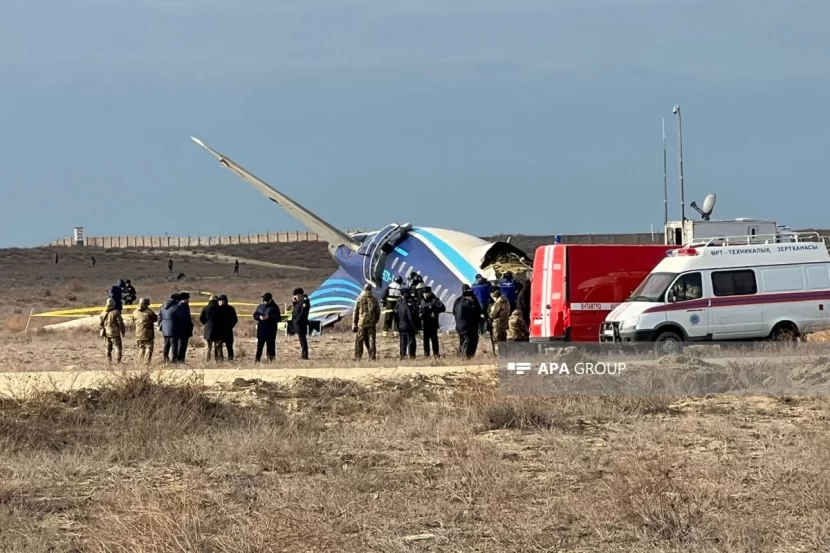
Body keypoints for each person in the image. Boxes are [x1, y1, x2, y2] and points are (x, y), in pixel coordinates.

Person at [353, 283, 381, 361]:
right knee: (371, 340)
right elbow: (378, 312)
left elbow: (355, 312)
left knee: (359, 340)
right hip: (371, 323)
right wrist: (375, 321)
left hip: (361, 323)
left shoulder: (359, 299)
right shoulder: (374, 299)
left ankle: (358, 357)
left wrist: (354, 323)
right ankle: (372, 357)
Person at [419, 284, 445, 358]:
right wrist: (420, 313)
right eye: (424, 293)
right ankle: (426, 355)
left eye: (427, 293)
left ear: (430, 293)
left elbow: (443, 308)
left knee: (434, 340)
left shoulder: (435, 300)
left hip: (433, 324)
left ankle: (436, 354)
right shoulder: (422, 301)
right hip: (425, 324)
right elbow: (420, 309)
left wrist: (435, 311)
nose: (425, 295)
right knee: (425, 341)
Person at [454, 288, 482, 359]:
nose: (472, 298)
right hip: (466, 327)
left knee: (465, 341)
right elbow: (474, 314)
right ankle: (466, 357)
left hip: (462, 327)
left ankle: (464, 356)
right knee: (469, 341)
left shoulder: (459, 303)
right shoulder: (466, 305)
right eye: (470, 296)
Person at [253, 292, 280, 363]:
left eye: (266, 300)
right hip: (261, 330)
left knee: (271, 347)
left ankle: (271, 361)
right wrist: (259, 317)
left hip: (271, 330)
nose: (264, 302)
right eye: (264, 300)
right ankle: (257, 361)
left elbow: (278, 318)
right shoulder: (260, 306)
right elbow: (255, 315)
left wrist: (268, 317)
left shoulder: (275, 307)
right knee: (259, 347)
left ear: (270, 300)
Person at [99, 298, 126, 364]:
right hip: (115, 333)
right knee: (117, 347)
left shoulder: (103, 313)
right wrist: (123, 331)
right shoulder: (116, 312)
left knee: (108, 348)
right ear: (113, 304)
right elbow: (120, 323)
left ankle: (109, 362)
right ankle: (118, 361)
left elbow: (100, 324)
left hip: (106, 333)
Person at [132, 297, 158, 364]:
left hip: (138, 333)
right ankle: (146, 363)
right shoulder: (149, 312)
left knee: (141, 348)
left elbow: (133, 321)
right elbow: (155, 319)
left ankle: (139, 363)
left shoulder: (134, 312)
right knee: (149, 347)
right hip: (148, 333)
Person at [396, 288, 420, 359]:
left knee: (403, 342)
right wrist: (415, 328)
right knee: (411, 341)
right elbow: (410, 317)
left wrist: (397, 326)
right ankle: (411, 356)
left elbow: (396, 316)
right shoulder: (406, 305)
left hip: (401, 326)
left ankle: (403, 355)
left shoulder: (399, 303)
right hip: (408, 326)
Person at [199, 295, 223, 361]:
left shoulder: (205, 308)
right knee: (217, 346)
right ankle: (217, 360)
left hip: (208, 330)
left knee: (208, 347)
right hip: (218, 329)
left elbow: (201, 318)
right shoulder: (220, 309)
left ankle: (207, 360)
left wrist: (206, 324)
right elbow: (223, 319)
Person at [159, 293, 180, 363]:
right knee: (174, 345)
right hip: (174, 327)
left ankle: (165, 358)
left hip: (165, 328)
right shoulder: (176, 307)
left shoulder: (162, 307)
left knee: (166, 344)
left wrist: (161, 326)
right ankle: (174, 360)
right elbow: (180, 318)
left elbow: (159, 317)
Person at [291, 287, 311, 360]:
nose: (295, 296)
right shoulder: (299, 301)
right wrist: (294, 302)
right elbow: (296, 309)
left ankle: (305, 355)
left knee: (303, 339)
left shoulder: (304, 301)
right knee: (301, 339)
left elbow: (303, 312)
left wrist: (297, 320)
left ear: (299, 294)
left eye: (296, 295)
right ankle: (303, 354)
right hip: (298, 322)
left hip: (301, 323)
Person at [217, 294, 238, 361]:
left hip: (228, 331)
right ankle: (220, 360)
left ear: (225, 301)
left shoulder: (230, 309)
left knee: (229, 347)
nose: (220, 302)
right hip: (219, 331)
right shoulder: (217, 309)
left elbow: (235, 319)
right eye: (219, 301)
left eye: (221, 300)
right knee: (219, 347)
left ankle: (230, 359)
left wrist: (230, 326)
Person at [175, 292, 193, 363]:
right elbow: (184, 319)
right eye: (188, 298)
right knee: (181, 346)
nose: (189, 300)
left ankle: (181, 359)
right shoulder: (181, 307)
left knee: (183, 346)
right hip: (182, 330)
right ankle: (180, 360)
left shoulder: (183, 306)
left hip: (184, 329)